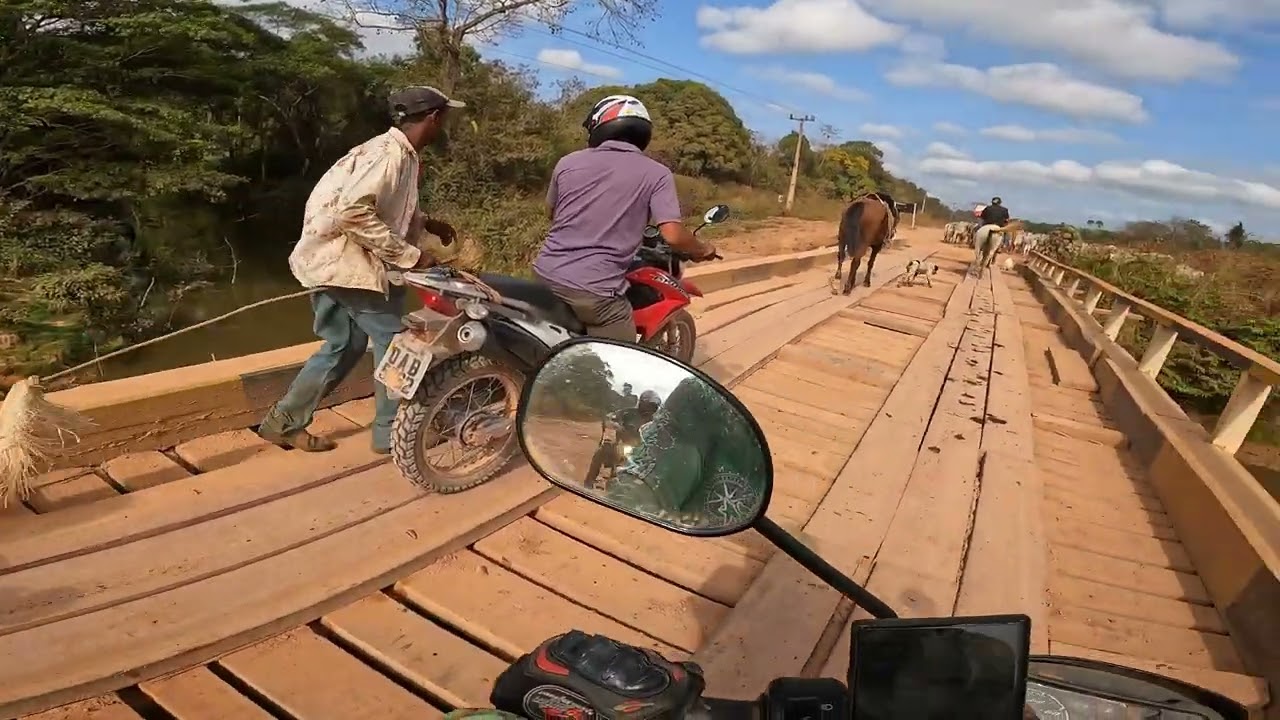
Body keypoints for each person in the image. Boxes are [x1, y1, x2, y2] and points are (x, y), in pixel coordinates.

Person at [257, 86, 464, 455]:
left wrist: (426, 223)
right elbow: (353, 213)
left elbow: (382, 207)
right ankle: (389, 431)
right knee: (401, 342)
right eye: (443, 119)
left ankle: (283, 422)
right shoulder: (389, 156)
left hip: (328, 262)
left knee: (345, 345)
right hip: (351, 266)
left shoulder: (397, 153)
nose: (443, 126)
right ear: (434, 118)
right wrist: (412, 257)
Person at [534, 95, 718, 342]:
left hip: (544, 274)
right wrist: (703, 248)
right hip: (594, 291)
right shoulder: (657, 174)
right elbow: (672, 234)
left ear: (601, 126)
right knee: (621, 362)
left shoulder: (568, 162)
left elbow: (552, 213)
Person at [607, 375, 768, 527]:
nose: (648, 409)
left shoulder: (695, 400)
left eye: (652, 406)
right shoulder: (630, 411)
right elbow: (631, 495)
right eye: (646, 404)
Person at [584, 389, 661, 488]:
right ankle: (589, 481)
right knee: (601, 452)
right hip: (622, 445)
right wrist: (615, 424)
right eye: (649, 405)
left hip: (641, 452)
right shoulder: (628, 412)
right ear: (642, 403)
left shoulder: (655, 422)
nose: (650, 409)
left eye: (653, 406)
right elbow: (610, 417)